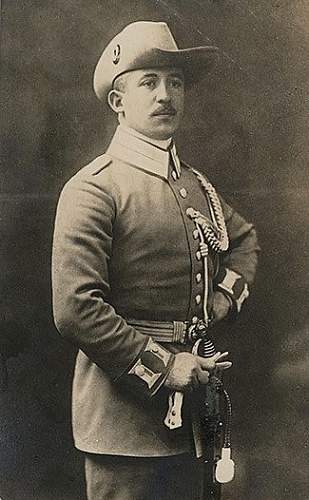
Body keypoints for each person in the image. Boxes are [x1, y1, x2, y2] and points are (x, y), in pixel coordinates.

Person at [52, 21, 259, 500]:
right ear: (118, 102)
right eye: (149, 82)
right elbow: (75, 309)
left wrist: (220, 301)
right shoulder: (93, 189)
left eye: (176, 82)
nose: (166, 95)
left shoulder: (195, 187)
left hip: (194, 420)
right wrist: (165, 367)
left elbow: (244, 240)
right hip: (124, 425)